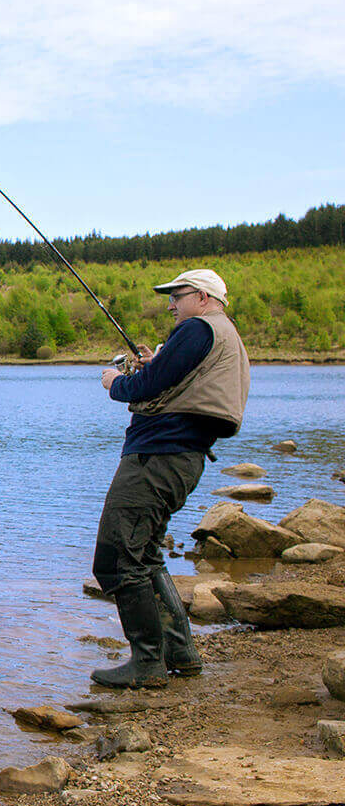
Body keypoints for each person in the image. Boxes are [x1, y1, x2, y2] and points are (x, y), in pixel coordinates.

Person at [91, 268, 249, 688]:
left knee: (118, 558)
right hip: (180, 457)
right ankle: (179, 653)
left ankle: (147, 663)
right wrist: (157, 363)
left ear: (202, 297)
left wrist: (116, 382)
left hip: (157, 458)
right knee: (145, 555)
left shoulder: (198, 328)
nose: (170, 305)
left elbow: (147, 386)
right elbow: (173, 377)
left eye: (176, 296)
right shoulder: (222, 332)